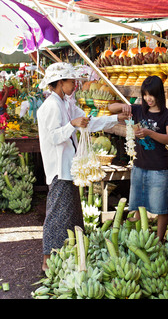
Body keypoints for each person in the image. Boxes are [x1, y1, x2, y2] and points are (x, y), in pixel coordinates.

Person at [37, 62, 128, 272]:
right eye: (71, 81)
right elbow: (53, 137)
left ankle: (66, 259)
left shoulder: (67, 103)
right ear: (60, 83)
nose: (76, 84)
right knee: (56, 215)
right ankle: (46, 262)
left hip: (70, 168)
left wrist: (115, 119)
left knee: (71, 215)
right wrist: (72, 125)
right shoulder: (51, 105)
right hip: (59, 169)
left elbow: (90, 121)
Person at [109, 75, 168, 241]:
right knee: (138, 206)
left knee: (161, 208)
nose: (148, 99)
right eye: (145, 95)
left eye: (151, 95)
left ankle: (159, 240)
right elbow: (111, 107)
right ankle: (141, 237)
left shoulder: (167, 115)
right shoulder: (138, 110)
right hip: (139, 166)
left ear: (159, 94)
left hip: (158, 168)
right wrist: (124, 106)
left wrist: (150, 133)